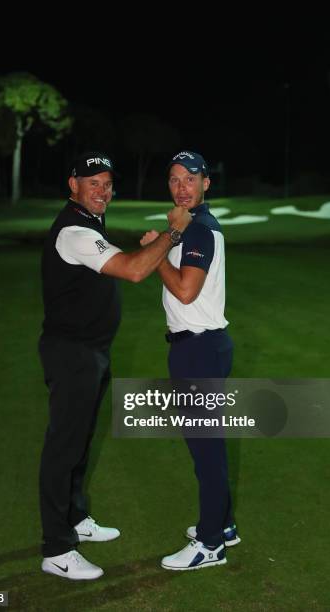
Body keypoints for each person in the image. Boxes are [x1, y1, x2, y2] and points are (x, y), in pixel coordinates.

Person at [39, 151, 191, 581]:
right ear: (73, 185)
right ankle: (56, 549)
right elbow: (133, 270)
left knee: (81, 440)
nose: (102, 191)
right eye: (93, 183)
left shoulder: (89, 221)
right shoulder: (73, 230)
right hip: (72, 353)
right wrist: (172, 234)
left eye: (107, 183)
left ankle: (75, 519)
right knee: (63, 447)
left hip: (90, 351)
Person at [140, 151, 240, 571]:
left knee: (206, 451)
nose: (182, 187)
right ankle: (225, 525)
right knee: (209, 446)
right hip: (204, 346)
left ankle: (211, 543)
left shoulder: (198, 230)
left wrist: (156, 251)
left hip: (197, 350)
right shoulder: (189, 226)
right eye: (175, 180)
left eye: (190, 180)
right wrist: (169, 238)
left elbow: (185, 292)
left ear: (206, 184)